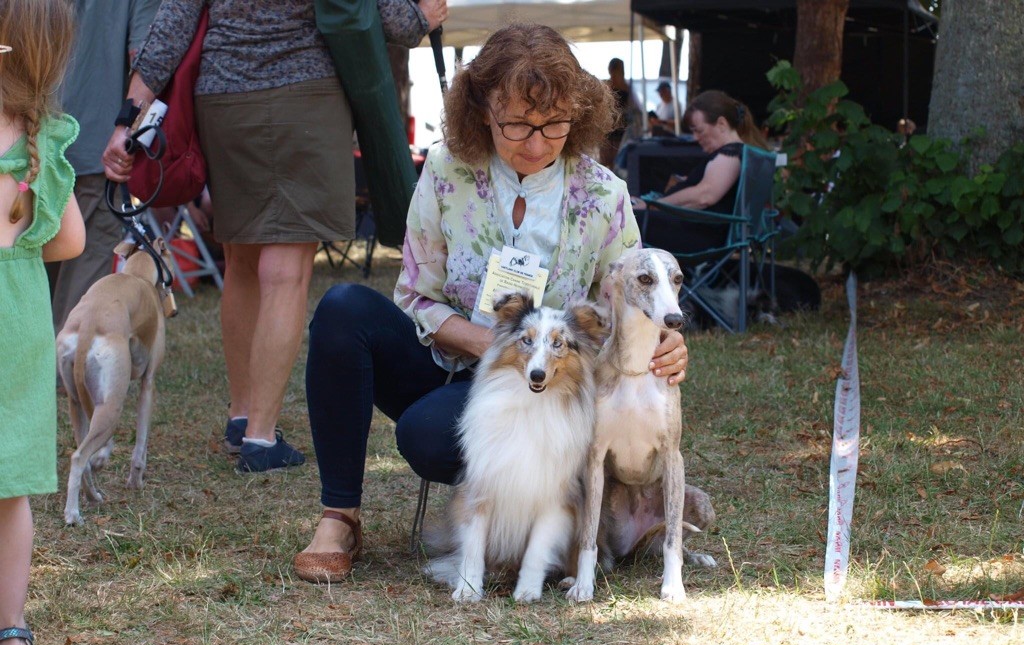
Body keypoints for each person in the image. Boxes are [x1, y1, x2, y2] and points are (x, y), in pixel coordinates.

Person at [293, 23, 690, 584]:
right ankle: (339, 518)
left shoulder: (605, 194)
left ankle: (530, 532)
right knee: (342, 309)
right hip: (454, 367)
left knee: (428, 436)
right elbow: (414, 294)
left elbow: (635, 301)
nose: (535, 142)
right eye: (517, 125)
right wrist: (492, 346)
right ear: (482, 110)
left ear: (579, 113)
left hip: (551, 393)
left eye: (554, 124)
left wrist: (669, 344)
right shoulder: (444, 170)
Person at [103, 0, 447, 473]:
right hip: (307, 93)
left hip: (224, 99)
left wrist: (129, 116)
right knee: (286, 271)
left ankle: (241, 416)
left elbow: (173, 21)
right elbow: (381, 12)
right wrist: (420, 19)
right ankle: (261, 439)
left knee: (241, 258)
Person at [0, 0, 86, 645]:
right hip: (22, 318)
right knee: (12, 491)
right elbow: (72, 241)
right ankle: (12, 630)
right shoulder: (44, 138)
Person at [47, 0, 160, 338]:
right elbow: (149, 58)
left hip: (28, 146)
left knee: (27, 285)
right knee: (75, 316)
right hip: (98, 149)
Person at [633, 89, 768, 254]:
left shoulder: (731, 153)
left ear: (721, 124)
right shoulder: (736, 153)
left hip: (699, 237)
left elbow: (704, 196)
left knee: (624, 220)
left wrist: (652, 205)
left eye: (699, 130)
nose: (696, 138)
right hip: (699, 231)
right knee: (626, 214)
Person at [600, 57, 640, 170]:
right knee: (606, 159)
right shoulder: (609, 85)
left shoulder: (624, 87)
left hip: (619, 127)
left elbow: (634, 107)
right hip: (609, 127)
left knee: (615, 159)